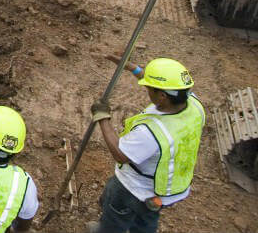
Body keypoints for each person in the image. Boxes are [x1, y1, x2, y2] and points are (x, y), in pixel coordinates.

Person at [86, 57, 205, 233]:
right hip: (168, 189)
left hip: (135, 187)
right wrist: (133, 69)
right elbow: (167, 86)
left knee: (115, 214)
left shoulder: (152, 132)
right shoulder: (193, 105)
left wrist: (102, 116)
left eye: (149, 88)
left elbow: (120, 154)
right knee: (146, 221)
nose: (146, 89)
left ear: (162, 96)